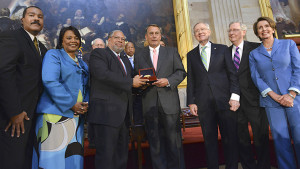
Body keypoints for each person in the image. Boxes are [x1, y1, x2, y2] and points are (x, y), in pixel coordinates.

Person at [87, 30, 147, 169]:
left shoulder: (124, 59)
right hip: (106, 115)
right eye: (117, 38)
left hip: (123, 116)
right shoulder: (99, 54)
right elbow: (103, 75)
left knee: (121, 157)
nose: (120, 41)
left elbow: (130, 81)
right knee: (106, 158)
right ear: (109, 40)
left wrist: (144, 84)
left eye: (123, 39)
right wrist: (131, 82)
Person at [32, 26, 89, 169]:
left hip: (76, 118)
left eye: (76, 38)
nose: (73, 41)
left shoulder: (82, 63)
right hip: (55, 116)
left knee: (73, 160)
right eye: (69, 38)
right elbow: (50, 80)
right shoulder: (54, 55)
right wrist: (71, 104)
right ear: (61, 41)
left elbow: (87, 87)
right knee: (52, 162)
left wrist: (85, 104)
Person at [187, 22, 240, 169]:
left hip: (225, 101)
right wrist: (191, 102)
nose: (200, 32)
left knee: (229, 139)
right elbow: (191, 80)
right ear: (195, 35)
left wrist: (235, 97)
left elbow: (232, 75)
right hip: (204, 104)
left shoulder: (222, 49)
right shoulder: (191, 55)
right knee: (209, 141)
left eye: (202, 29)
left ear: (209, 31)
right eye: (196, 30)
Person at [249, 16, 300, 169]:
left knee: (299, 137)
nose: (264, 29)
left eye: (266, 26)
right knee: (280, 140)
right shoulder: (254, 54)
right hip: (272, 102)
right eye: (260, 28)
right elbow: (256, 77)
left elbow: (298, 69)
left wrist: (291, 94)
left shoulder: (288, 44)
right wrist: (274, 96)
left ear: (272, 28)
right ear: (257, 33)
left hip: (294, 99)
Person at [0, 6, 47, 169]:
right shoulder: (12, 37)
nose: (36, 19)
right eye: (32, 15)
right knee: (12, 162)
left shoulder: (42, 48)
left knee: (26, 161)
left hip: (33, 116)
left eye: (40, 17)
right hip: (13, 117)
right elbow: (3, 73)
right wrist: (14, 112)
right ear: (22, 20)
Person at [134, 24, 186, 169]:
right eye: (151, 33)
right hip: (150, 104)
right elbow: (136, 77)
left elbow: (181, 72)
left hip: (169, 104)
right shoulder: (139, 55)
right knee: (155, 145)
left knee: (174, 143)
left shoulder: (171, 51)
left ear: (161, 35)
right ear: (146, 37)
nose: (154, 36)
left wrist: (168, 81)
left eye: (157, 33)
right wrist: (141, 82)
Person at [227, 21, 271, 169]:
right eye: (230, 31)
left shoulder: (256, 48)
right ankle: (248, 166)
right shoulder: (225, 52)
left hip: (255, 99)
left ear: (243, 32)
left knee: (261, 136)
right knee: (242, 138)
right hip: (235, 102)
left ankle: (264, 165)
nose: (231, 33)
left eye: (235, 30)